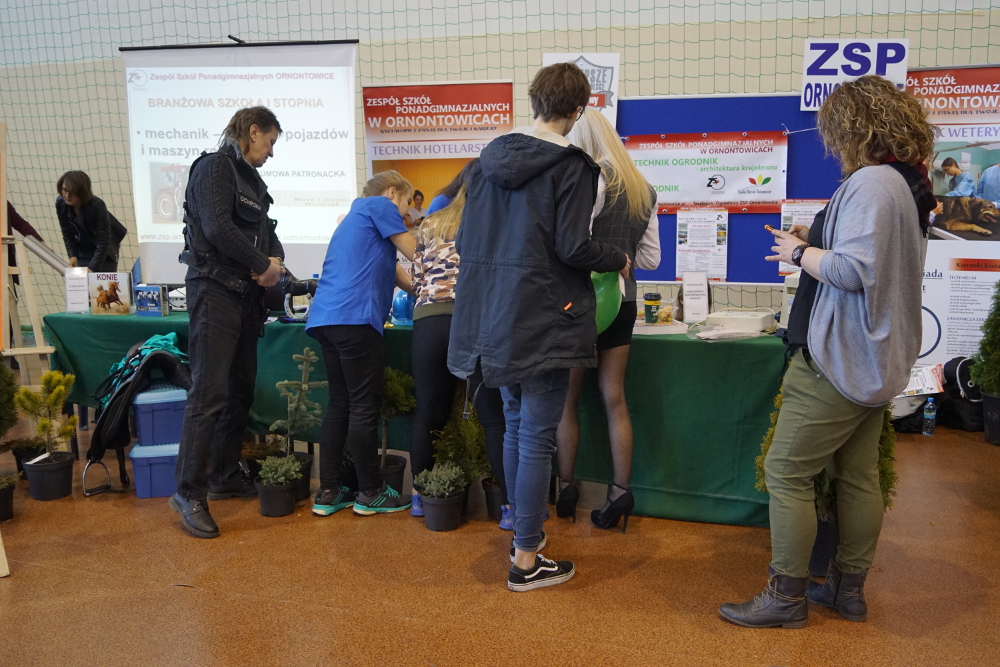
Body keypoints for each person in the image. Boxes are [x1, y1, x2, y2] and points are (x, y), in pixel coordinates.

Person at [719, 75, 935, 628]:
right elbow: (872, 261)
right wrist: (815, 241)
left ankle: (786, 597)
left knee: (786, 471)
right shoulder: (906, 185)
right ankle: (845, 588)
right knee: (857, 477)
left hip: (837, 361)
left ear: (851, 127)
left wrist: (797, 253)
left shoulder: (870, 183)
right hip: (876, 359)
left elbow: (852, 271)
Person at [447, 62, 630, 592]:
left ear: (533, 102)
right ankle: (526, 559)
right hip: (544, 318)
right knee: (535, 438)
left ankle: (520, 533)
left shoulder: (483, 163)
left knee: (514, 424)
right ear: (578, 109)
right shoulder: (573, 166)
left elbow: (464, 242)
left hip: (491, 317)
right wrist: (615, 257)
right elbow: (573, 247)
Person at [170, 107, 285, 539]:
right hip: (213, 290)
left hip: (245, 298)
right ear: (252, 131)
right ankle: (188, 493)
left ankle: (223, 476)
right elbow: (217, 227)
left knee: (239, 388)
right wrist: (263, 264)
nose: (271, 152)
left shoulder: (254, 181)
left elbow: (269, 235)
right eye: (270, 142)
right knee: (209, 392)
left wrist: (275, 261)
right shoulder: (214, 168)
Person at [554, 108, 660, 532]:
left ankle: (566, 488)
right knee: (614, 398)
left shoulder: (590, 180)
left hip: (579, 304)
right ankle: (620, 492)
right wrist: (622, 254)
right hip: (623, 303)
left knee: (568, 399)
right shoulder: (644, 189)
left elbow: (573, 244)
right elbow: (650, 259)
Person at [407, 161, 513, 528]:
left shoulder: (430, 223)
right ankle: (509, 509)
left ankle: (419, 498)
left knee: (427, 413)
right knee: (494, 419)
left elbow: (416, 279)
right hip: (473, 323)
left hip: (428, 322)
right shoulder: (493, 222)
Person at [306, 171, 417, 518]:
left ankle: (329, 491)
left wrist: (423, 289)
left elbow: (398, 273)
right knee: (363, 407)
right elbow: (414, 252)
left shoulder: (355, 217)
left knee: (340, 404)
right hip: (355, 318)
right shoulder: (380, 206)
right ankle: (370, 492)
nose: (405, 215)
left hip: (326, 319)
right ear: (392, 192)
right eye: (406, 205)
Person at [55, 171, 127, 272]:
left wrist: (92, 268)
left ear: (82, 191)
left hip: (105, 252)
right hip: (83, 250)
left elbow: (104, 242)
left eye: (72, 191)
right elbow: (66, 232)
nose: (67, 195)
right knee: (82, 280)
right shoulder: (61, 203)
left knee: (99, 281)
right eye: (64, 190)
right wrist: (73, 255)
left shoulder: (97, 205)